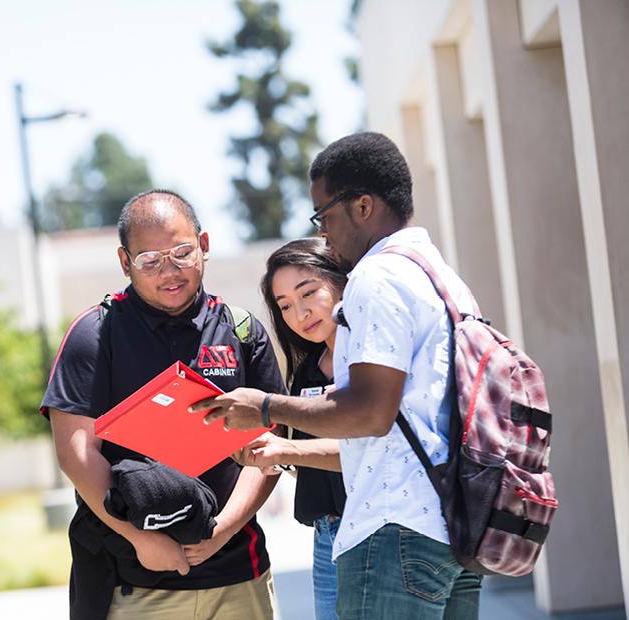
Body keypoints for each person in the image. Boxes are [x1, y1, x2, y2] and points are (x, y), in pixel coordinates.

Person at [192, 132, 482, 619]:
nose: (324, 234)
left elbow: (370, 411)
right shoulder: (438, 274)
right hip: (452, 523)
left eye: (324, 216)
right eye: (284, 305)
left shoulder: (376, 275)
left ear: (363, 206)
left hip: (394, 528)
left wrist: (264, 406)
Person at [41, 189, 287, 620]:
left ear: (204, 247)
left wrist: (221, 531)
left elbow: (269, 447)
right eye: (149, 261)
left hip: (238, 574)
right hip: (133, 581)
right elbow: (76, 452)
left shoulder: (242, 331)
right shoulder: (95, 335)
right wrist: (139, 538)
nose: (168, 271)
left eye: (181, 253)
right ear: (124, 262)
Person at [238, 238, 347, 620]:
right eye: (284, 306)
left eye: (308, 293)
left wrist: (284, 451)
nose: (299, 313)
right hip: (326, 535)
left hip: (378, 534)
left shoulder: (369, 358)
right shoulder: (306, 370)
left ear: (341, 282)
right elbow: (307, 460)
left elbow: (369, 452)